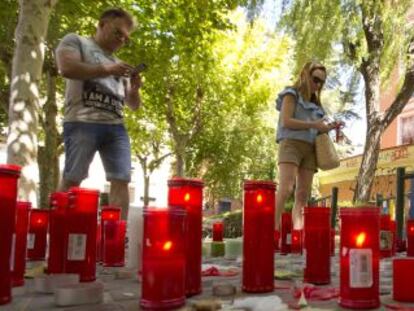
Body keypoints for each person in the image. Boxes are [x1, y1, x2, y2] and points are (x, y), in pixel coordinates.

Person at [56, 8, 142, 220]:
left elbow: (133, 105)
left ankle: (117, 238)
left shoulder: (118, 65)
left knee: (122, 178)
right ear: (102, 24)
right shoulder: (76, 41)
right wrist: (107, 69)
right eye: (118, 32)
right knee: (73, 177)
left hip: (116, 126)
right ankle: (56, 227)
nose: (121, 40)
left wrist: (134, 89)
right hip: (82, 120)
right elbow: (66, 67)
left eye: (125, 38)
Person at [275, 61, 337, 230]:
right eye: (315, 79)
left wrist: (330, 128)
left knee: (303, 195)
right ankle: (271, 232)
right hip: (291, 144)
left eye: (321, 82)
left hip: (310, 150)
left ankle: (298, 236)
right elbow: (286, 121)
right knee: (286, 188)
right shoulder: (291, 94)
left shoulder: (317, 105)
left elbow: (317, 129)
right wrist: (313, 125)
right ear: (305, 75)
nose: (318, 85)